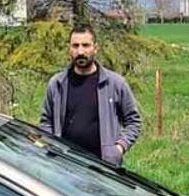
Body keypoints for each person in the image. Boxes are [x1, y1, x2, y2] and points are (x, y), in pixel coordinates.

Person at [39, 24, 142, 166]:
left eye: (86, 45)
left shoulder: (115, 83)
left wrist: (118, 148)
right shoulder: (57, 84)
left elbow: (133, 122)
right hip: (64, 166)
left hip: (104, 166)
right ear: (69, 48)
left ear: (95, 48)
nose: (80, 51)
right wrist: (51, 146)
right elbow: (46, 122)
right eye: (75, 46)